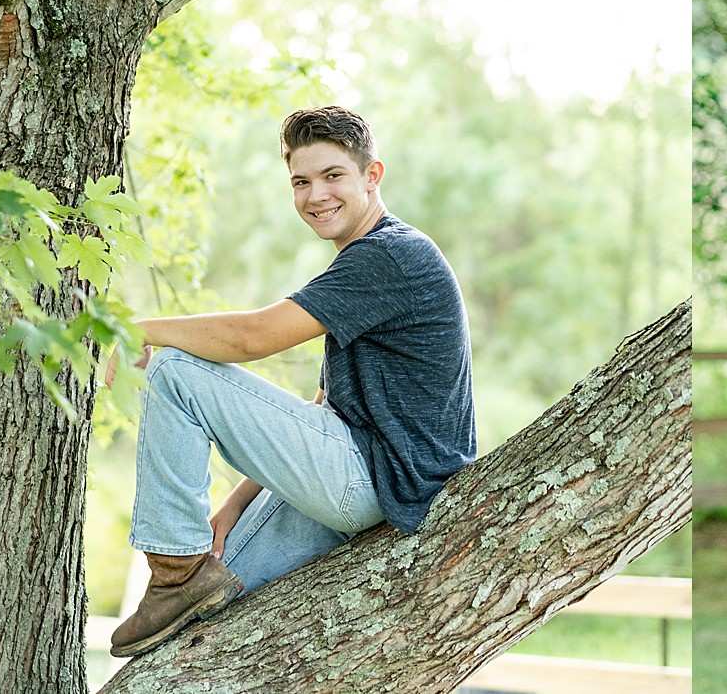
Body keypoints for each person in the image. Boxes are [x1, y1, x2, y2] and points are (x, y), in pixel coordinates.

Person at [103, 106, 476, 658]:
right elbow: (324, 407)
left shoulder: (393, 256)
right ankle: (186, 576)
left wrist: (136, 329)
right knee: (199, 626)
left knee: (175, 370)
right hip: (359, 480)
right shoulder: (363, 264)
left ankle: (174, 568)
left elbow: (255, 335)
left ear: (372, 176)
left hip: (376, 481)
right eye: (301, 181)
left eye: (332, 176)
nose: (315, 195)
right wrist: (228, 512)